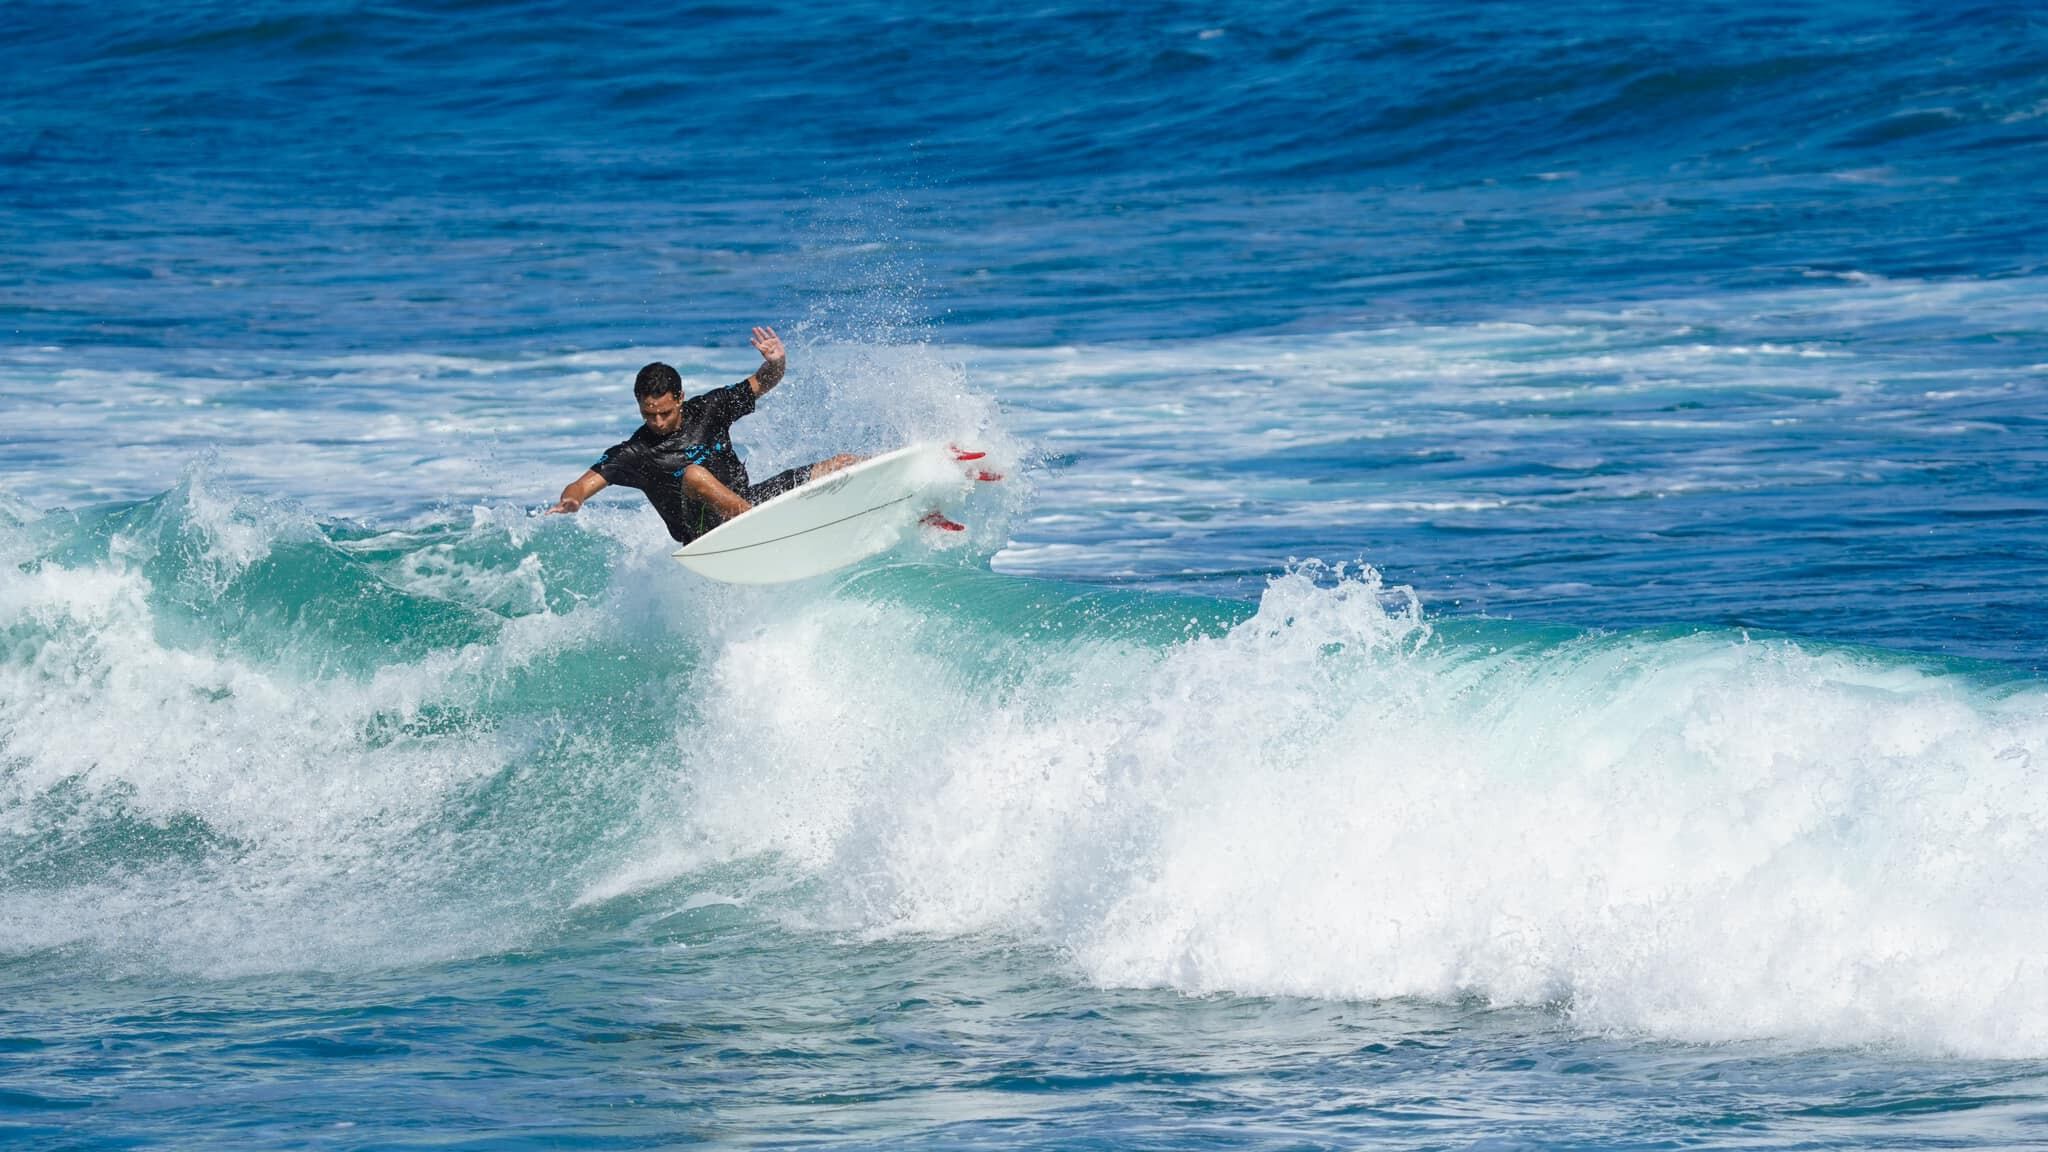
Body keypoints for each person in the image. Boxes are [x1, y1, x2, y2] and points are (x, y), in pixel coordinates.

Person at [548, 326, 859, 542]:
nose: (656, 421)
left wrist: (777, 361)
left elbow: (762, 382)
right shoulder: (635, 452)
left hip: (745, 505)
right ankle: (763, 527)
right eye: (648, 414)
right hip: (704, 533)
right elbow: (580, 485)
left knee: (839, 465)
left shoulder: (710, 408)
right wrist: (572, 501)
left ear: (680, 397)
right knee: (695, 474)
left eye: (664, 412)